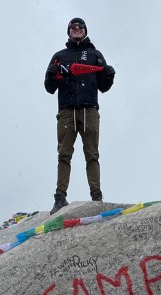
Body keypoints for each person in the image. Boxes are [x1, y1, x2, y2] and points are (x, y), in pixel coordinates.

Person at [45, 17, 115, 215]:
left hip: (89, 109)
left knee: (92, 153)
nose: (77, 29)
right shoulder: (59, 56)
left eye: (80, 26)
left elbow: (104, 87)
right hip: (66, 110)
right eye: (73, 27)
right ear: (68, 31)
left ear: (85, 30)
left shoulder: (95, 55)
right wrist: (50, 75)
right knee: (64, 154)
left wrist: (109, 75)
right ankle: (60, 197)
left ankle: (96, 196)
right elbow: (49, 88)